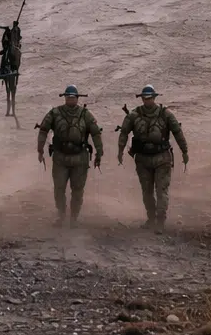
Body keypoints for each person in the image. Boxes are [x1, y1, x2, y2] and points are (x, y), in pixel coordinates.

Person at [116, 85, 188, 231]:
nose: (147, 101)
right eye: (144, 98)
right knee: (147, 191)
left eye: (149, 98)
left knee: (161, 190)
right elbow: (124, 133)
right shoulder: (134, 115)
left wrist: (184, 151)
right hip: (143, 159)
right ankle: (151, 218)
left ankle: (160, 221)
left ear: (155, 98)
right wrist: (120, 151)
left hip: (162, 158)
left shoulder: (166, 114)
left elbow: (177, 132)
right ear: (141, 98)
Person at [36, 85, 104, 226]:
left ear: (77, 98)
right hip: (60, 157)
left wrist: (99, 152)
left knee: (77, 190)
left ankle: (74, 218)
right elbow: (43, 130)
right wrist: (40, 149)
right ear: (65, 98)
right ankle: (61, 215)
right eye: (68, 97)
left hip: (80, 158)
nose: (70, 100)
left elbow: (96, 133)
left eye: (73, 97)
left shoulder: (85, 114)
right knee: (59, 188)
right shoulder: (55, 113)